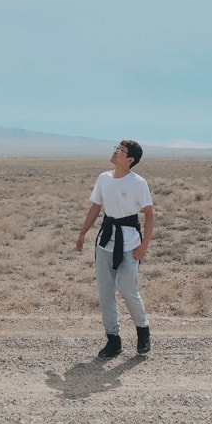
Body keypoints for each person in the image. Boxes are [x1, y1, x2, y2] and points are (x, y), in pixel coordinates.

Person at [74, 140, 154, 358]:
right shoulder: (104, 178)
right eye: (116, 148)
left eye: (121, 151)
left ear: (130, 160)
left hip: (129, 243)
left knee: (128, 289)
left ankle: (143, 331)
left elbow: (149, 214)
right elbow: (96, 207)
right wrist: (83, 233)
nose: (115, 152)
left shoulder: (138, 183)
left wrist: (144, 244)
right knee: (106, 293)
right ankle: (113, 340)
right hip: (105, 241)